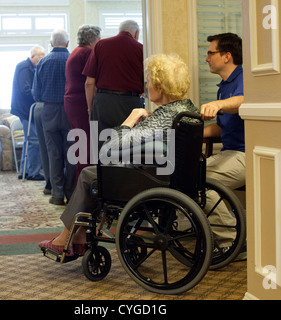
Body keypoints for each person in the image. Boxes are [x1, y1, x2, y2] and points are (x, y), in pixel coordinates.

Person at [39, 53, 198, 255]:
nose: (146, 86)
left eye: (149, 82)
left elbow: (109, 148)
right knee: (97, 173)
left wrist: (130, 119)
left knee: (90, 174)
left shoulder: (162, 118)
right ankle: (77, 235)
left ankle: (65, 238)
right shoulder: (187, 109)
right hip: (176, 176)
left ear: (160, 86)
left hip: (153, 180)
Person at [201, 33, 245, 250]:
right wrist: (194, 133)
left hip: (246, 154)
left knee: (201, 184)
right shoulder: (225, 86)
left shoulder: (245, 77)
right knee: (187, 175)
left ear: (227, 56)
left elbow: (244, 101)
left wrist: (218, 104)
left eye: (210, 53)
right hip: (230, 152)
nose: (206, 58)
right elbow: (223, 126)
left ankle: (233, 244)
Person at [32, 29, 75, 206]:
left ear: (50, 44)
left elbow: (36, 93)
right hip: (70, 110)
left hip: (48, 110)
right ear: (67, 43)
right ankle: (71, 193)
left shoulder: (43, 62)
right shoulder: (73, 59)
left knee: (54, 153)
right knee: (71, 153)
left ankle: (57, 194)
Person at [82, 20, 144, 137]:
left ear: (119, 31)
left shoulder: (101, 45)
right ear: (136, 33)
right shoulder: (141, 49)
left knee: (101, 146)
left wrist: (90, 109)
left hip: (103, 103)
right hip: (130, 104)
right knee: (129, 146)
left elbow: (89, 83)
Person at [64, 24, 101, 182]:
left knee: (82, 146)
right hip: (81, 103)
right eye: (99, 38)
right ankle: (85, 190)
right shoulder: (87, 53)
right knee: (86, 150)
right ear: (93, 39)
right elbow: (90, 82)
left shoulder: (76, 52)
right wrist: (90, 108)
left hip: (72, 102)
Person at [11, 46, 46, 181]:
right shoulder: (25, 68)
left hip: (25, 109)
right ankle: (33, 172)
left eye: (43, 56)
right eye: (39, 56)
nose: (42, 59)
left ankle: (24, 170)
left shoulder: (29, 67)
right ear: (32, 56)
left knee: (29, 140)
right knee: (34, 140)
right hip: (26, 110)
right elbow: (26, 90)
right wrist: (41, 96)